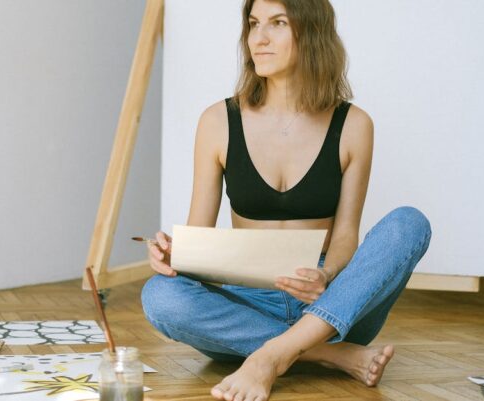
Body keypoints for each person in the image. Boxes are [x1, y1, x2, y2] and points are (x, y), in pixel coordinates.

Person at [140, 0, 432, 400]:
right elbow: (200, 239)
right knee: (159, 296)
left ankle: (270, 356)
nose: (258, 38)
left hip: (331, 306)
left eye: (277, 23)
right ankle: (330, 355)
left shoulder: (354, 125)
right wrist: (174, 256)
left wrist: (326, 277)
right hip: (244, 309)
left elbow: (345, 235)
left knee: (409, 223)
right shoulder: (217, 121)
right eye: (253, 23)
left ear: (312, 33)